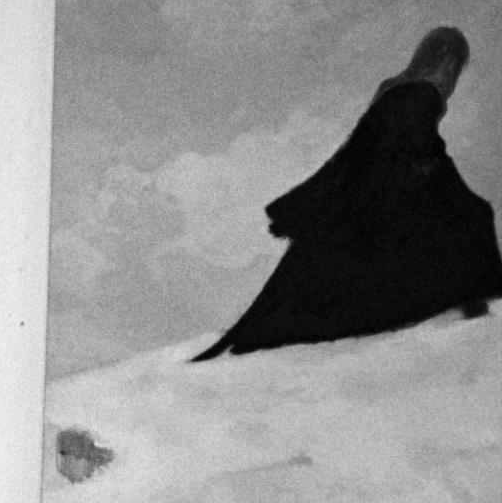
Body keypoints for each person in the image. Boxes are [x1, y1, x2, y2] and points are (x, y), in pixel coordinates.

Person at [194, 27, 502, 361]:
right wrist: (442, 183)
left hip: (368, 186)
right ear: (445, 61)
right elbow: (422, 149)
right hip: (392, 187)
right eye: (455, 63)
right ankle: (470, 303)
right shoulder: (423, 93)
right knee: (471, 216)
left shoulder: (393, 85)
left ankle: (461, 301)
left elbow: (372, 144)